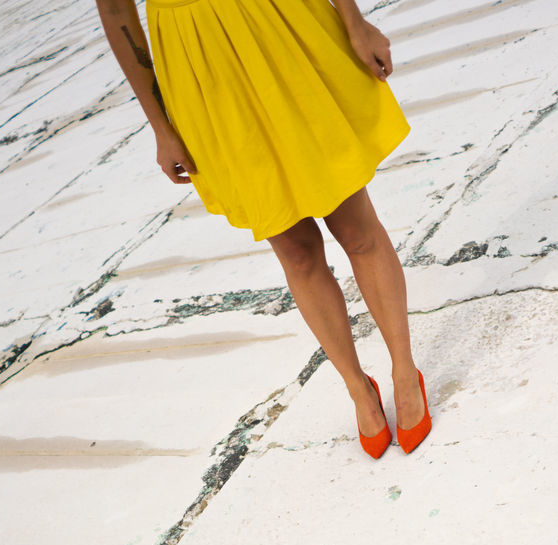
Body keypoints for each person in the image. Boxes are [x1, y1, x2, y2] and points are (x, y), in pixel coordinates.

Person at [95, 0, 432, 457]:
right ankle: (357, 388)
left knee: (354, 226)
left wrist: (353, 20)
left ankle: (404, 372)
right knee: (295, 251)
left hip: (277, 29)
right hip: (201, 73)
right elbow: (116, 9)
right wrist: (160, 125)